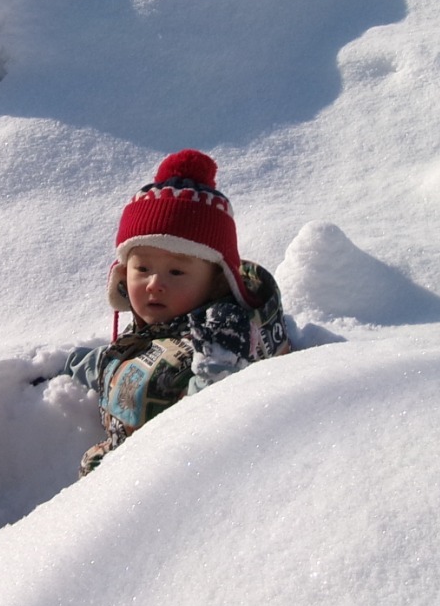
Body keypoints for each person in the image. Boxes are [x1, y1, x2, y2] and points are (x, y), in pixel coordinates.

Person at [65, 149, 290, 474]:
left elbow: (210, 410)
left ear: (216, 281)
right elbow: (113, 363)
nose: (155, 284)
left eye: (177, 272)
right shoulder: (152, 331)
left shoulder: (222, 339)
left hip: (170, 481)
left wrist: (219, 359)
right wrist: (68, 366)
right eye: (142, 268)